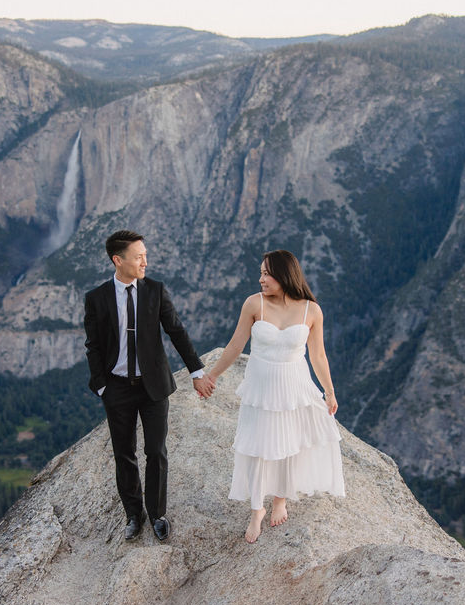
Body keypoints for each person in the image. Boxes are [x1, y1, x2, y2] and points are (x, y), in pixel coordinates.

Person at [204, 250, 345, 543]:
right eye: (261, 273)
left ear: (284, 275)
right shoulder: (254, 304)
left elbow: (318, 355)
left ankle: (281, 498)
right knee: (258, 445)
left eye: (266, 273)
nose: (261, 279)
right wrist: (213, 374)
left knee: (290, 443)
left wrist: (329, 392)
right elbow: (235, 345)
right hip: (261, 385)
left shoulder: (311, 310)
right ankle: (257, 508)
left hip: (294, 383)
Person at [84, 230, 214, 542]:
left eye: (145, 255)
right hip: (116, 388)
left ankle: (157, 514)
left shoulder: (155, 290)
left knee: (156, 450)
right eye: (139, 256)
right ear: (119, 260)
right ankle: (133, 514)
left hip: (153, 386)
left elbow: (176, 331)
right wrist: (102, 386)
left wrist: (197, 370)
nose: (145, 261)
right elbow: (94, 346)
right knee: (123, 453)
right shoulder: (97, 298)